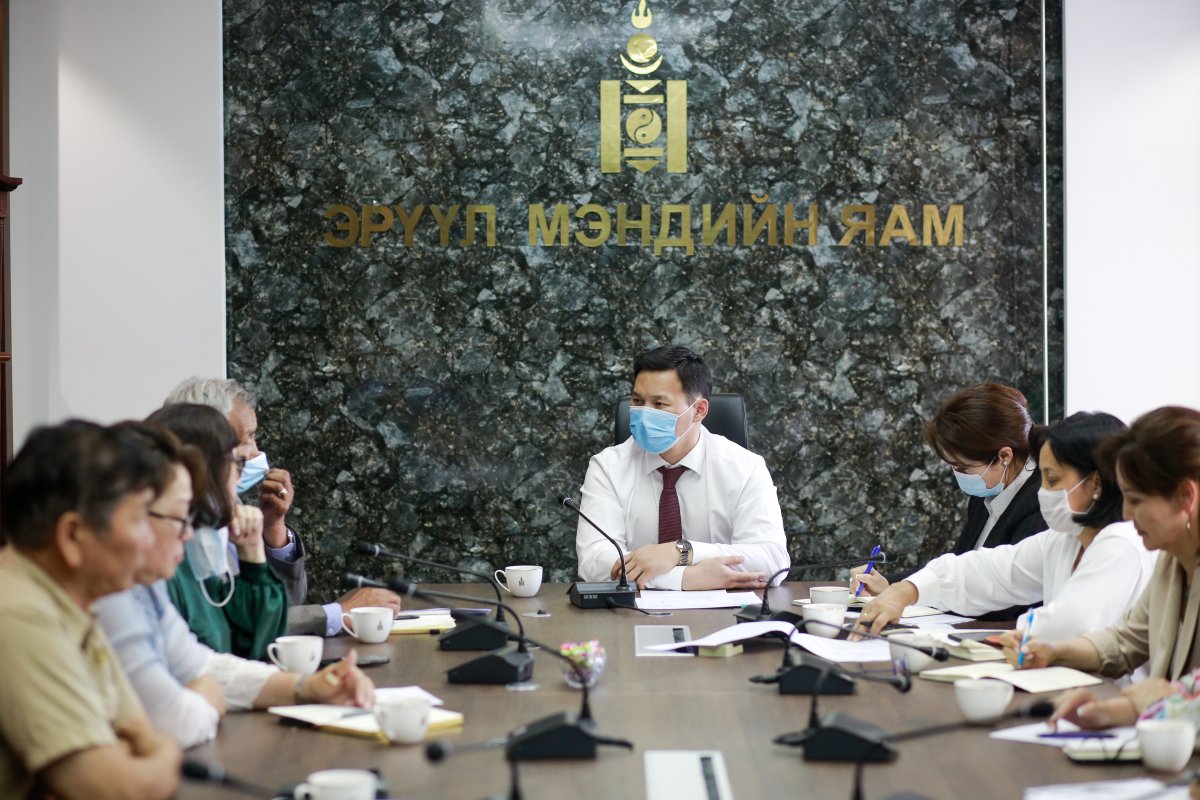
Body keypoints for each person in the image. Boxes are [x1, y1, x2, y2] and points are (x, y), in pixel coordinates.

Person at [94, 423, 374, 748]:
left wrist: (307, 687)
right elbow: (173, 721)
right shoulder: (115, 592)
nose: (188, 532)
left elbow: (204, 665)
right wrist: (207, 696)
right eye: (178, 517)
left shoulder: (144, 583)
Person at [0, 421, 181, 799]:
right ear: (72, 535)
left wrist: (140, 755)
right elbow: (119, 789)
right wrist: (169, 755)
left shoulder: (71, 601)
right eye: (138, 519)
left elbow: (138, 731)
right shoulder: (19, 612)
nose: (148, 539)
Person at [854, 412, 1155, 639]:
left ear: (1096, 483)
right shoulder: (1065, 539)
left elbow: (1069, 625)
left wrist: (1010, 637)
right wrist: (906, 589)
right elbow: (991, 571)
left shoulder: (1120, 543)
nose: (1043, 491)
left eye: (1052, 479)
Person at [1005, 407, 1200, 730]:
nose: (1127, 513)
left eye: (1136, 499)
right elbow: (1126, 641)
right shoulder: (1172, 559)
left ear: (1185, 496)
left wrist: (1135, 705)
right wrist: (1053, 652)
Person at [166, 377, 402, 635]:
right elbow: (234, 625)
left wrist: (273, 529)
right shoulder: (179, 524)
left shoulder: (229, 502)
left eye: (254, 436)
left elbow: (284, 604)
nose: (255, 453)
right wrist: (339, 613)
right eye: (246, 438)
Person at [575, 345, 789, 590]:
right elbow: (595, 561)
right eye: (637, 401)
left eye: (659, 404)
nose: (644, 413)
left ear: (699, 410)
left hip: (727, 610)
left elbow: (773, 561)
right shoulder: (607, 467)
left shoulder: (745, 467)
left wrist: (682, 552)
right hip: (632, 609)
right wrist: (685, 578)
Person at [851, 383, 1049, 618]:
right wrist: (892, 586)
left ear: (1004, 456)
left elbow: (1008, 595)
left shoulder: (1043, 500)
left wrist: (909, 593)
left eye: (963, 467)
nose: (959, 475)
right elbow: (959, 563)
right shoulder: (988, 488)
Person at [148, 403, 289, 660]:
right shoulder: (166, 564)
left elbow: (256, 642)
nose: (240, 474)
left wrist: (252, 552)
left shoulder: (207, 542)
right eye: (236, 462)